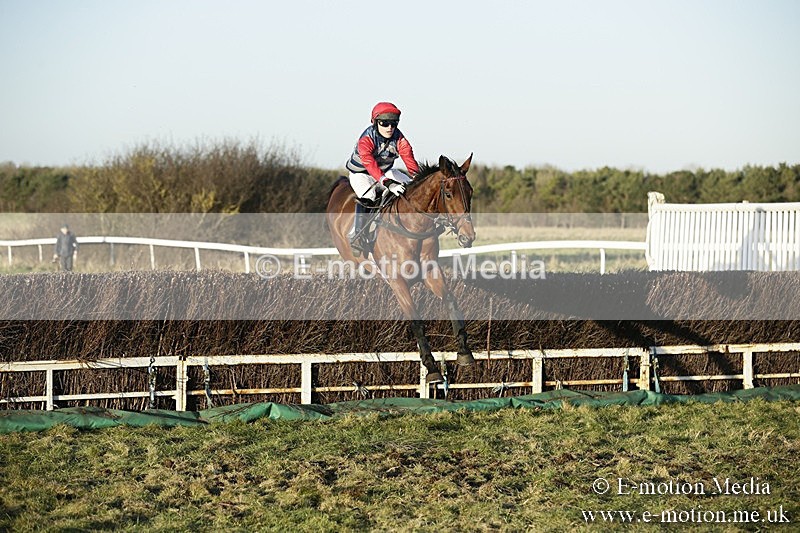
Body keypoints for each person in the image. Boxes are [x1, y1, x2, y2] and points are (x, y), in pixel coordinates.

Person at [345, 101, 420, 247]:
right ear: (375, 123)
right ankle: (357, 233)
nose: (389, 128)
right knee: (369, 196)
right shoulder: (366, 139)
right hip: (361, 173)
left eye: (393, 123)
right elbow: (370, 164)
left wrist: (417, 177)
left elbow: (408, 158)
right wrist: (387, 183)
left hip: (385, 172)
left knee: (412, 185)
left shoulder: (399, 138)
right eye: (384, 123)